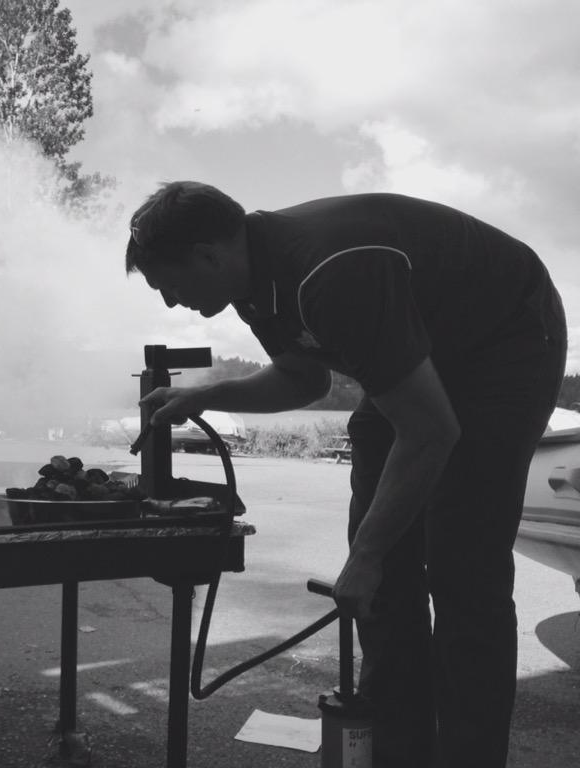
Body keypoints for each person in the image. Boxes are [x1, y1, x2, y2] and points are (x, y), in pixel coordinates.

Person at [127, 181, 566, 768]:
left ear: (209, 254)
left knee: (464, 568)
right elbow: (303, 378)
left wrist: (368, 555)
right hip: (427, 353)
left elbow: (431, 430)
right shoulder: (253, 283)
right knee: (383, 585)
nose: (172, 303)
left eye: (170, 286)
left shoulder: (331, 271)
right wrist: (209, 395)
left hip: (505, 341)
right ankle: (399, 752)